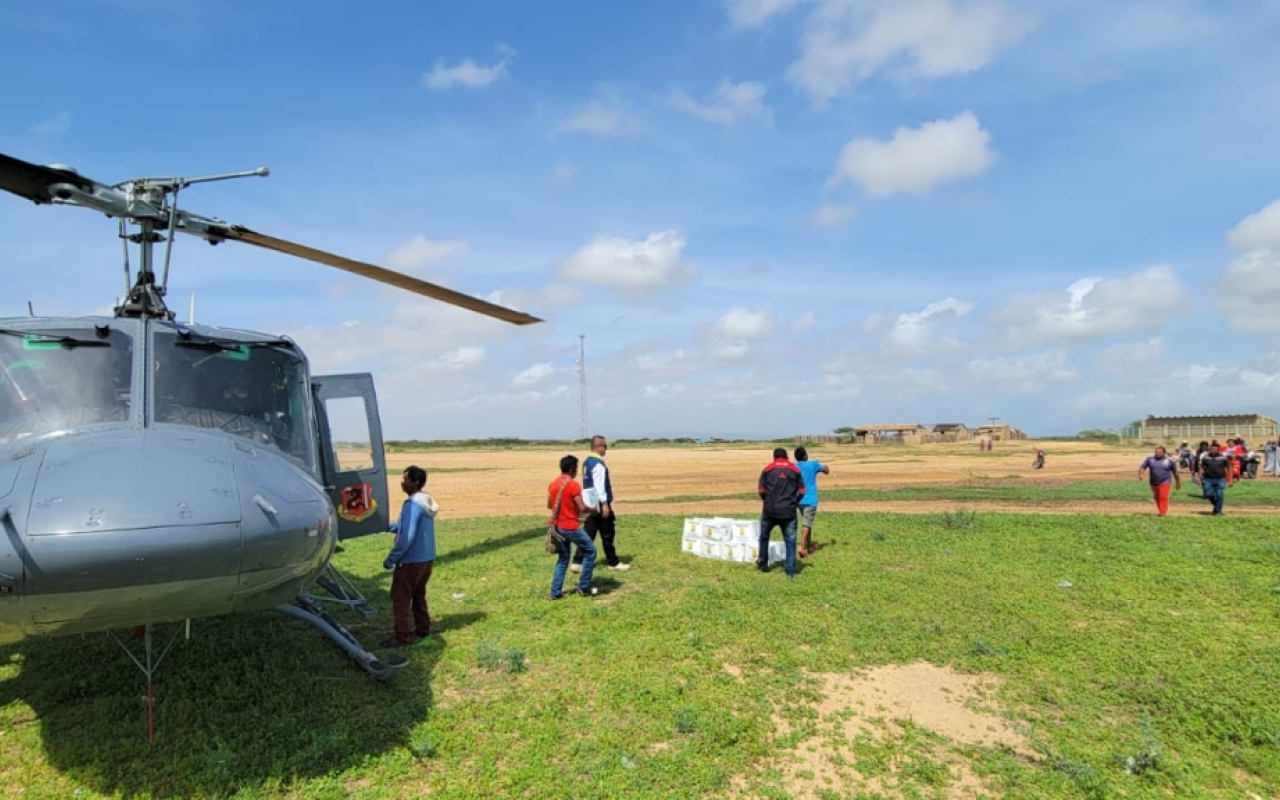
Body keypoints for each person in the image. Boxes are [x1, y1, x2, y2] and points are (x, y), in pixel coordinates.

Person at [382, 465, 439, 648]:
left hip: (410, 561)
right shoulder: (425, 502)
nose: (402, 482)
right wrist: (388, 526)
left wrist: (391, 559)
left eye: (405, 478)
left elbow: (407, 537)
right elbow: (409, 527)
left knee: (401, 598)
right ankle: (423, 629)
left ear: (415, 482)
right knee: (418, 594)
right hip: (426, 559)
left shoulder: (412, 504)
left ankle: (402, 638)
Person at [571, 435, 629, 573]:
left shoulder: (587, 462)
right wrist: (605, 505)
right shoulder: (598, 464)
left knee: (589, 533)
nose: (606, 449)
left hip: (590, 503)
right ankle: (613, 562)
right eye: (605, 446)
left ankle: (577, 562)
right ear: (598, 447)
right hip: (599, 504)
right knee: (608, 533)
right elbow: (600, 486)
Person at [548, 454, 598, 599]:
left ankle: (555, 592)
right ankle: (584, 586)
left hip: (557, 526)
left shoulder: (553, 484)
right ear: (571, 469)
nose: (576, 471)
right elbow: (582, 507)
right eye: (576, 467)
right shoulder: (573, 485)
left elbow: (549, 505)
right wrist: (592, 509)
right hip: (570, 526)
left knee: (563, 559)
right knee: (590, 551)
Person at [757, 447, 804, 579]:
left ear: (774, 457)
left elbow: (761, 490)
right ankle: (790, 571)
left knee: (764, 536)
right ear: (787, 457)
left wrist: (766, 501)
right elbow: (802, 490)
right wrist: (794, 502)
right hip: (789, 511)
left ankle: (763, 563)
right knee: (790, 541)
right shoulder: (795, 470)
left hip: (770, 510)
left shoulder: (767, 469)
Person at [793, 446, 829, 557]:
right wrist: (819, 463)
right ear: (805, 455)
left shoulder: (793, 467)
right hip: (810, 499)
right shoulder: (812, 464)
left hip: (797, 499)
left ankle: (809, 545)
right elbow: (826, 470)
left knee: (807, 522)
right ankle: (803, 548)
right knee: (807, 524)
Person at [1138, 445, 1180, 517]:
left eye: (1159, 452)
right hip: (1153, 482)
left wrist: (1177, 483)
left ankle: (1163, 512)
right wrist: (1141, 474)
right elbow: (1142, 467)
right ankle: (1161, 509)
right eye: (1156, 452)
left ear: (1164, 453)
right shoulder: (1150, 459)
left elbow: (1175, 473)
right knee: (1157, 497)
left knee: (1163, 496)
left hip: (1165, 481)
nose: (1157, 453)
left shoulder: (1170, 460)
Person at [1199, 441, 1233, 516]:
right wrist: (1199, 478)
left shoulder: (1223, 458)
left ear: (1218, 450)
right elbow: (1201, 468)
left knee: (1219, 495)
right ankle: (1217, 507)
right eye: (1212, 449)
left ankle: (1218, 511)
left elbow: (1229, 468)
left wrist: (1230, 480)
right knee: (1208, 494)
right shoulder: (1206, 458)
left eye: (1215, 449)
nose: (1213, 451)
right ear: (1209, 449)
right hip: (1208, 479)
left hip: (1220, 479)